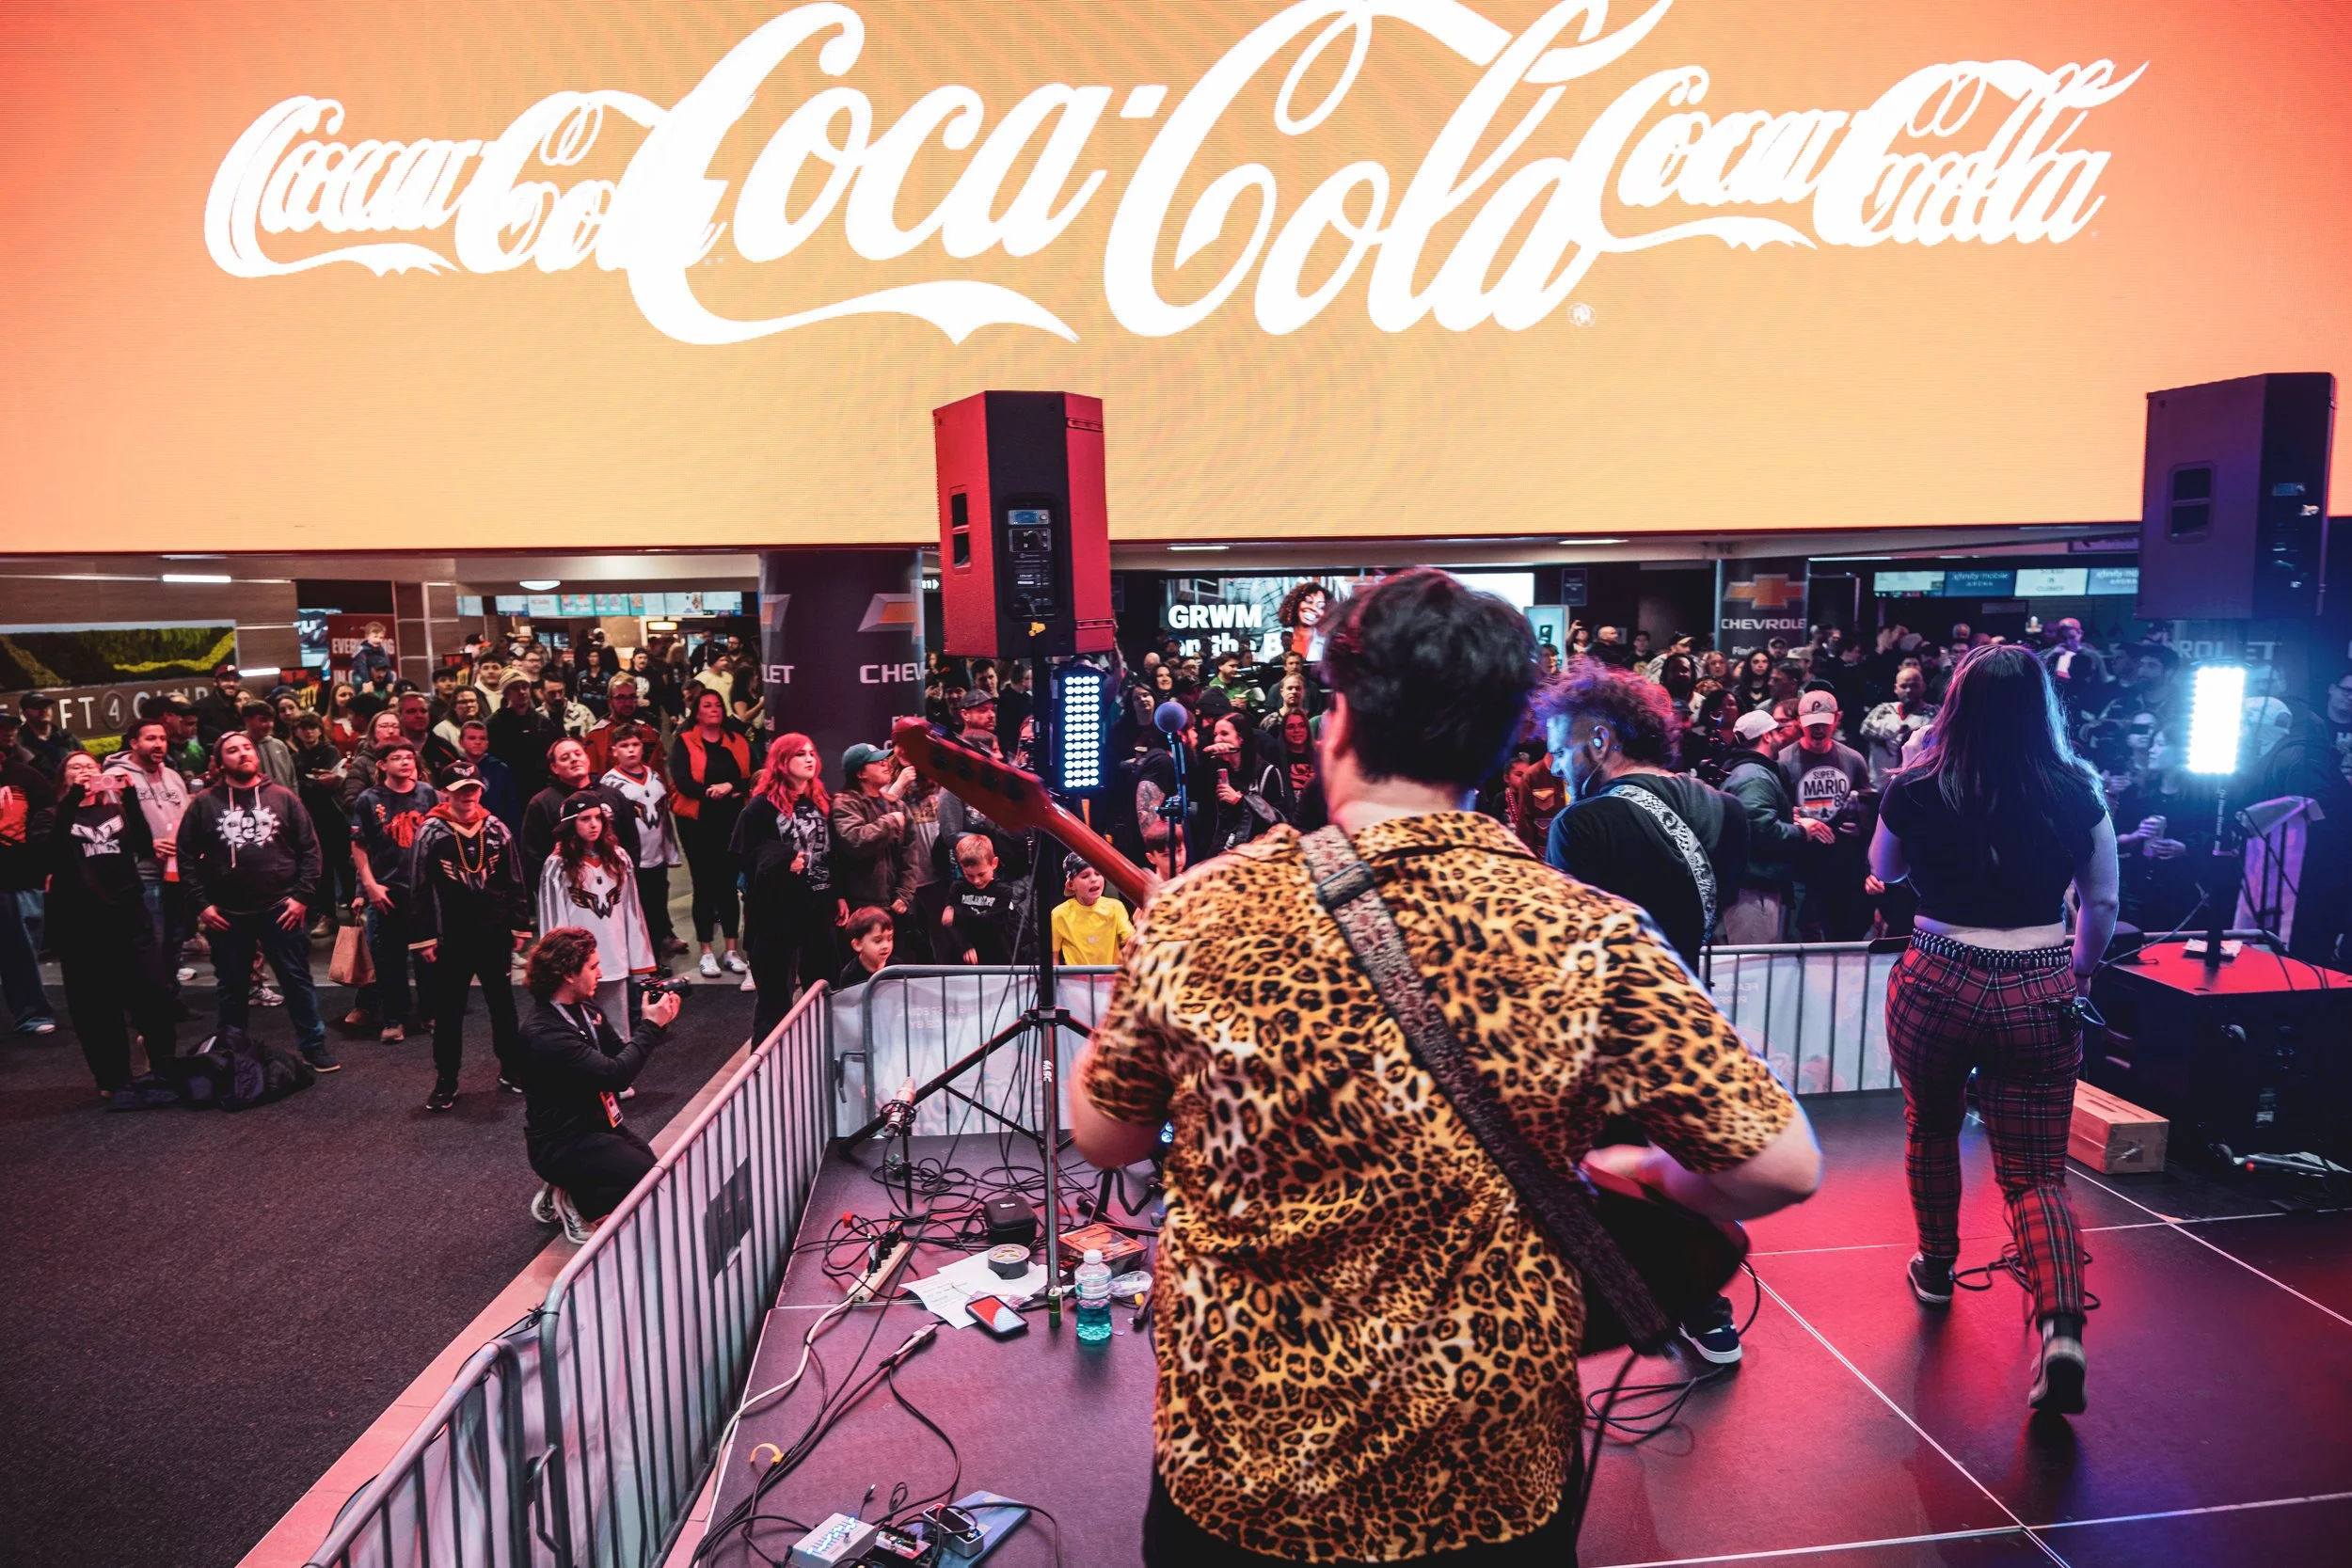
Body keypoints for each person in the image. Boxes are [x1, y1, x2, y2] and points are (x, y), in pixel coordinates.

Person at [1073, 569, 1818, 1565]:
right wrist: (1649, 1172)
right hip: (1487, 1475)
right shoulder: (1587, 931)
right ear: (1505, 738)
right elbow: (1779, 1164)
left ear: (1336, 718)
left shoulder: (1201, 907)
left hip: (1244, 1466)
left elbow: (1106, 1133)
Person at [1870, 645, 2116, 1415]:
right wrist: (2075, 971)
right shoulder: (2079, 789)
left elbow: (1888, 868)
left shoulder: (1916, 783)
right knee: (2037, 1172)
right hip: (2038, 977)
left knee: (1932, 1125)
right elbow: (2103, 903)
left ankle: (1937, 1268)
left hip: (1938, 973)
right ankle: (2061, 1325)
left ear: (1957, 703)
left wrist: (1912, 769)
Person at [1539, 661, 1753, 1367]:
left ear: (1600, 738)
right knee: (1679, 1159)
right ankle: (1706, 1309)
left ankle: (1616, 1309)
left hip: (1605, 1035)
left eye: (1560, 743)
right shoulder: (1724, 809)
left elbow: (1569, 955)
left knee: (1609, 1173)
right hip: (1691, 1016)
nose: (1553, 760)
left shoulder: (1583, 823)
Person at [180, 732, 337, 1072]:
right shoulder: (205, 803)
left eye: (247, 748)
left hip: (281, 908)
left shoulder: (283, 798)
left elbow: (310, 850)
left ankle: (314, 1047)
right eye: (233, 750)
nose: (243, 754)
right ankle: (232, 1053)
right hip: (226, 912)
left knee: (297, 982)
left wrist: (301, 898)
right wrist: (202, 905)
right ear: (221, 762)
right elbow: (186, 858)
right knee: (232, 988)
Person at [516, 927, 681, 1243]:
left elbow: (620, 1055)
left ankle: (562, 1190)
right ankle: (575, 1201)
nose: (600, 973)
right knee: (642, 1181)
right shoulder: (546, 1034)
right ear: (567, 974)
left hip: (596, 1126)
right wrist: (651, 1027)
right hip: (561, 1143)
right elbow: (616, 1075)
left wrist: (654, 1022)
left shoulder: (585, 1008)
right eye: (592, 967)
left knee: (651, 1170)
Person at [39, 752, 179, 1096]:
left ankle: (165, 1065)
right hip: (81, 927)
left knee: (155, 997)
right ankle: (112, 1078)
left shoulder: (116, 811)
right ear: (63, 779)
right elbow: (50, 852)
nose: (86, 770)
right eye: (76, 767)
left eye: (91, 766)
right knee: (95, 1007)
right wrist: (74, 799)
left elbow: (145, 847)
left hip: (128, 919)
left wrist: (129, 796)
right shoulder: (51, 816)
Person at [408, 762, 535, 1113]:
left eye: (473, 788)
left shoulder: (496, 828)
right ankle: (446, 1078)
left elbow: (514, 879)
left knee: (503, 1006)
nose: (467, 795)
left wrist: (518, 925)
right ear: (446, 791)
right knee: (449, 1011)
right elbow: (418, 887)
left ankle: (511, 1068)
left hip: (493, 933)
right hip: (452, 936)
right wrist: (424, 937)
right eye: (460, 788)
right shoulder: (431, 831)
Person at [735, 733, 843, 1043]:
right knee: (774, 1002)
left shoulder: (820, 801)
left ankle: (822, 1055)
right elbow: (743, 856)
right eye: (800, 754)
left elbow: (832, 854)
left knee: (825, 987)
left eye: (812, 752)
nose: (810, 758)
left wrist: (839, 895)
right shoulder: (759, 808)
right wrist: (783, 861)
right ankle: (767, 1069)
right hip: (776, 915)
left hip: (817, 907)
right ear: (783, 762)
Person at [537, 793, 655, 1027]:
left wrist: (641, 962)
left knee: (620, 1029)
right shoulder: (557, 864)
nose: (594, 824)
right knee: (581, 1030)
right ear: (571, 824)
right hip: (577, 966)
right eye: (585, 819)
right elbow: (553, 922)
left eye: (598, 818)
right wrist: (560, 966)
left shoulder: (619, 857)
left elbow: (633, 912)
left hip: (615, 957)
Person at [350, 740, 437, 1041]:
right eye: (396, 758)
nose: (404, 762)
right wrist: (369, 886)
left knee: (429, 958)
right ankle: (394, 1017)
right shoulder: (368, 798)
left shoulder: (427, 794)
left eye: (408, 757)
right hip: (387, 892)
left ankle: (430, 1013)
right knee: (390, 961)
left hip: (424, 892)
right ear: (382, 765)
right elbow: (359, 846)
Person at [103, 716, 193, 992]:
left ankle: (171, 997)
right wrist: (147, 844)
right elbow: (108, 824)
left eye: (163, 739)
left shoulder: (173, 776)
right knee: (150, 939)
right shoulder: (117, 778)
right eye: (151, 739)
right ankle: (149, 1004)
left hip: (177, 872)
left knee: (175, 938)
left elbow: (187, 817)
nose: (159, 745)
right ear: (133, 743)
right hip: (142, 872)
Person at [668, 688, 751, 977]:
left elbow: (752, 776)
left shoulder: (737, 740)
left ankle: (730, 949)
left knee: (728, 886)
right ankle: (705, 952)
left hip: (732, 820)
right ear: (697, 712)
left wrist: (731, 787)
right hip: (697, 823)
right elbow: (681, 781)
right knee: (703, 886)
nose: (713, 709)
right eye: (707, 705)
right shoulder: (685, 741)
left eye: (718, 705)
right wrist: (709, 792)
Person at [1779, 689, 1873, 940]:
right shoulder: (1783, 762)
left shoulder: (1853, 760)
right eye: (1812, 725)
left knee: (1843, 932)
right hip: (1803, 860)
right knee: (1802, 934)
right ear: (1799, 722)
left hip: (1842, 860)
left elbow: (1867, 803)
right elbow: (1775, 810)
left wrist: (1860, 825)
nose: (1818, 730)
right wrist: (1794, 819)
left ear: (1837, 719)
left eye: (1824, 724)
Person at [1719, 705, 1806, 943]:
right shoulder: (1755, 776)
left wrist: (1788, 819)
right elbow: (1761, 828)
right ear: (1767, 735)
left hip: (1753, 884)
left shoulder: (1744, 771)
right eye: (1776, 733)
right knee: (1753, 968)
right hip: (1754, 888)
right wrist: (1801, 830)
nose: (1780, 738)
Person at [600, 722, 684, 957]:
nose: (631, 750)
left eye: (635, 744)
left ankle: (658, 950)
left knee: (657, 904)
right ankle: (641, 957)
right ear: (614, 750)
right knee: (637, 909)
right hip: (631, 859)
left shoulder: (655, 777)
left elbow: (664, 819)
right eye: (624, 745)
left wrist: (670, 852)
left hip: (656, 855)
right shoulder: (609, 784)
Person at [0, 722, 59, 1036]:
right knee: (18, 951)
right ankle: (32, 1014)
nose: (6, 733)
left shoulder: (25, 774)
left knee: (23, 951)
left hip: (21, 877)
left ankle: (31, 1013)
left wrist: (50, 868)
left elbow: (50, 821)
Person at [521, 736, 628, 893]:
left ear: (587, 757)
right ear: (554, 767)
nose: (574, 759)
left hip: (615, 883)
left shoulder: (613, 796)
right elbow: (533, 856)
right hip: (566, 890)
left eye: (578, 754)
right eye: (565, 758)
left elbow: (630, 840)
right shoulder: (541, 804)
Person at [829, 742, 916, 927]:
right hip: (859, 908)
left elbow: (910, 856)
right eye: (877, 762)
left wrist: (904, 894)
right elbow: (855, 841)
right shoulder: (844, 803)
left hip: (894, 905)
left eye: (885, 759)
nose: (886, 764)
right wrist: (890, 822)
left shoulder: (898, 805)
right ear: (861, 774)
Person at [1201, 713, 1291, 853]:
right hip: (1223, 850)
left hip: (1256, 851)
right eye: (1215, 735)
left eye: (1224, 734)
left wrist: (1240, 801)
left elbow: (1276, 818)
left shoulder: (1267, 772)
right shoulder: (1216, 769)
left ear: (1241, 738)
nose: (1218, 739)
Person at [1858, 664, 1937, 788]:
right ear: (1896, 688)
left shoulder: (1935, 713)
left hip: (1917, 786)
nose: (1908, 690)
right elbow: (1866, 729)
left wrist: (1887, 737)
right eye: (1904, 686)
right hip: (1878, 788)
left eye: (1914, 685)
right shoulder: (1884, 709)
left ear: (1923, 687)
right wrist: (1900, 730)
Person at [942, 833, 1016, 965]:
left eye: (981, 874)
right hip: (962, 957)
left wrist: (957, 914)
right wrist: (964, 946)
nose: (976, 881)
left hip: (996, 958)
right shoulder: (957, 887)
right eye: (969, 875)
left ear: (994, 863)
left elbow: (992, 922)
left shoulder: (1004, 891)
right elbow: (950, 926)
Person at [1051, 852, 1133, 966]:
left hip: (1110, 979)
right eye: (1085, 876)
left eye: (1098, 874)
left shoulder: (1115, 907)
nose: (1094, 879)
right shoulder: (1059, 914)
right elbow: (1053, 956)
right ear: (1071, 885)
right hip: (1075, 982)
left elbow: (1130, 940)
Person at [489, 675, 561, 800]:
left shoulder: (542, 721)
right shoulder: (494, 724)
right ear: (506, 693)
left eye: (525, 687)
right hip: (509, 788)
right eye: (516, 688)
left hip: (540, 787)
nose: (522, 692)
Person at [835, 905, 895, 990]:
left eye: (889, 939)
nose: (886, 945)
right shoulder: (849, 975)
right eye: (877, 941)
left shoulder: (897, 967)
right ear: (857, 945)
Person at [241, 702, 298, 789]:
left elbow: (292, 780)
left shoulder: (279, 745)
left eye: (271, 720)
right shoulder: (238, 747)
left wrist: (295, 800)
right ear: (247, 720)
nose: (270, 725)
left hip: (283, 801)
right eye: (263, 720)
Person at [192, 663, 247, 748]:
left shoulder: (238, 706)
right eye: (226, 680)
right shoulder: (201, 707)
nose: (232, 684)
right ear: (215, 682)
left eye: (235, 680)